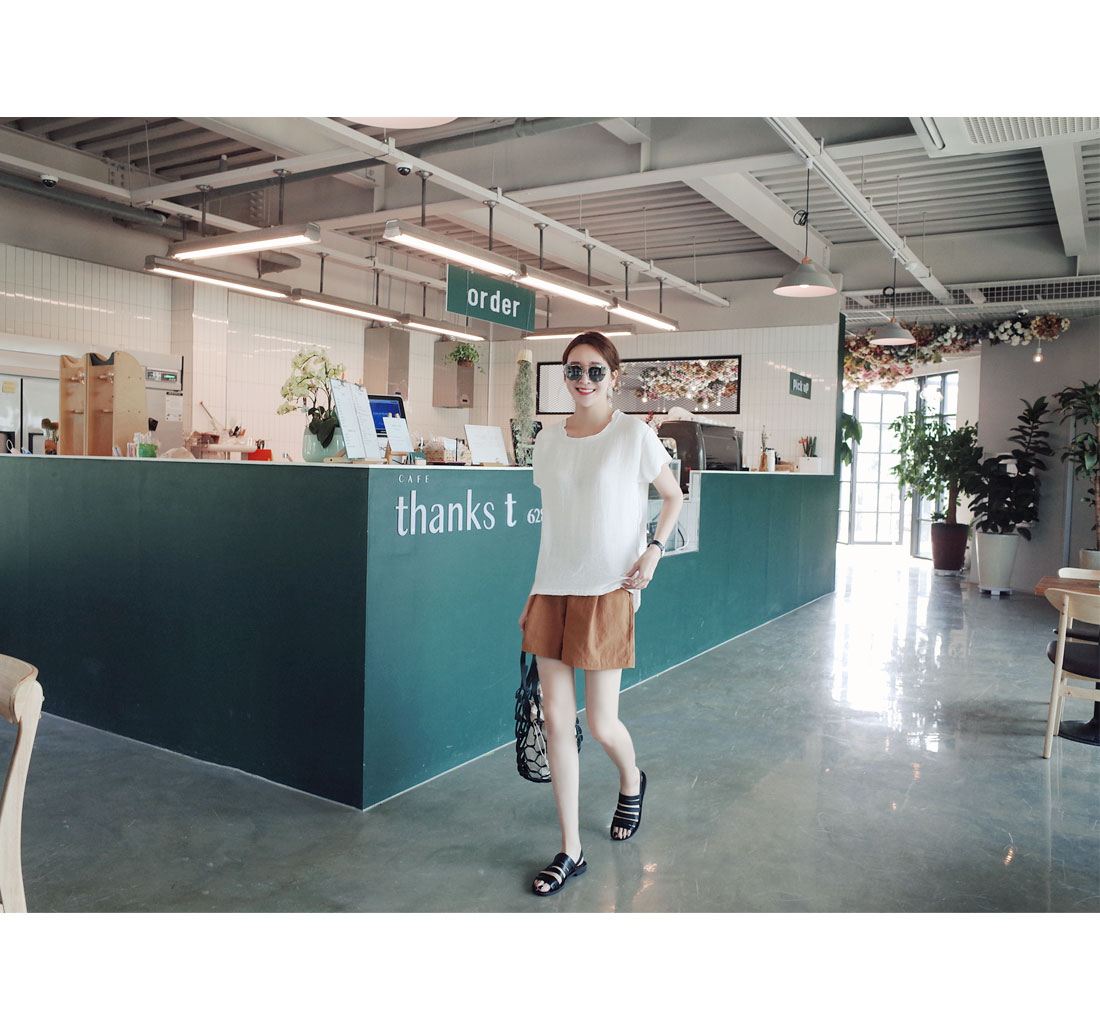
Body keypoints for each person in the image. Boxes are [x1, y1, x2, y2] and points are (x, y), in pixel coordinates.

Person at [518, 331, 683, 896]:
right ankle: (571, 849)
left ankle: (631, 778)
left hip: (610, 587)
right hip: (551, 588)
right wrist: (534, 593)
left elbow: (673, 496)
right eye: (573, 370)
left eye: (594, 371)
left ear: (614, 376)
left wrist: (654, 550)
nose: (583, 380)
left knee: (601, 722)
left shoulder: (633, 435)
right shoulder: (548, 441)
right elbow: (558, 523)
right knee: (555, 720)